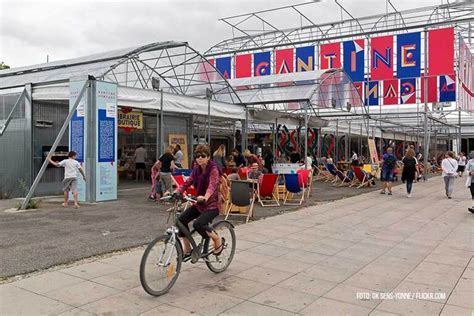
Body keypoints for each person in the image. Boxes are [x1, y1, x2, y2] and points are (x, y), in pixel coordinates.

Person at [173, 144, 224, 257]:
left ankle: (217, 239)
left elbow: (212, 185)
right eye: (197, 156)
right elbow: (187, 182)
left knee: (198, 224)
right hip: (199, 204)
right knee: (180, 221)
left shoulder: (213, 169)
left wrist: (206, 196)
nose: (200, 158)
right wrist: (176, 191)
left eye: (203, 155)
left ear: (208, 157)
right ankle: (188, 248)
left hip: (212, 205)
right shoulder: (196, 169)